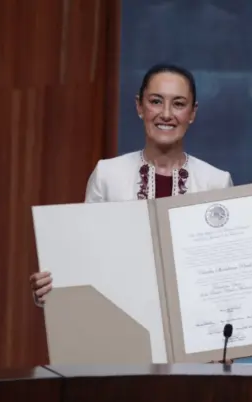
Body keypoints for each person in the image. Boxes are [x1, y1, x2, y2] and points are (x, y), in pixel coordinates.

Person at [30, 63, 233, 305]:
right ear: (139, 106)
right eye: (156, 101)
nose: (166, 114)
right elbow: (85, 256)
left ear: (192, 113)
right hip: (121, 321)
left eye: (178, 104)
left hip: (193, 324)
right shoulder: (107, 175)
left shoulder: (217, 182)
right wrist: (53, 291)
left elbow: (226, 273)